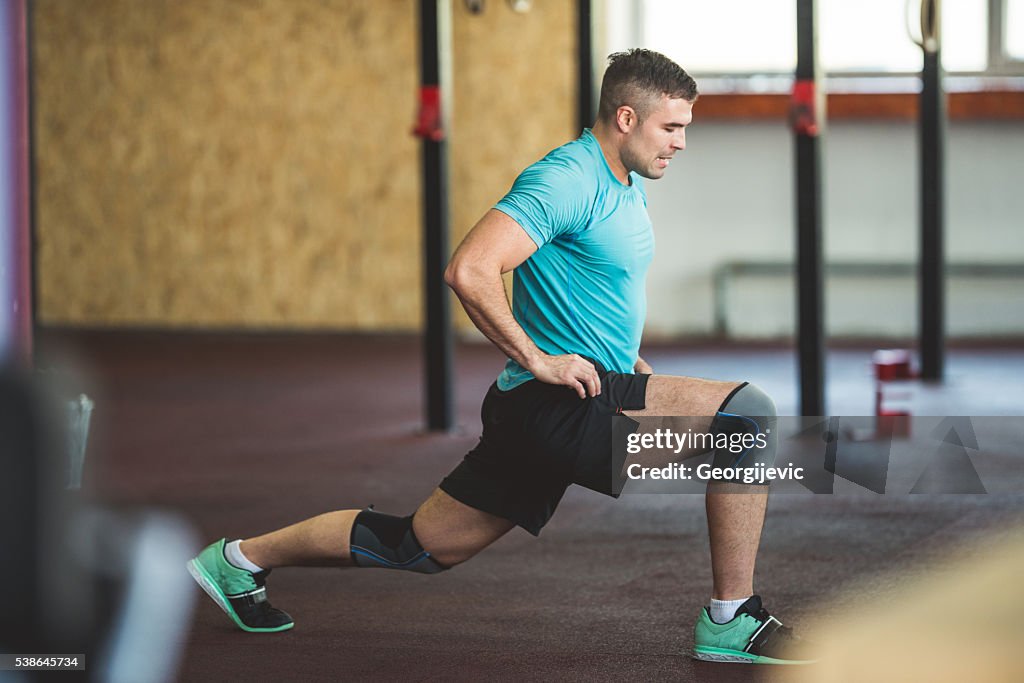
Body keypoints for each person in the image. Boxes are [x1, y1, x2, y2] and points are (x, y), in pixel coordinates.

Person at [188, 48, 813, 665]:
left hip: (553, 406)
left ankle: (239, 560)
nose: (680, 142)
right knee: (745, 418)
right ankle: (731, 619)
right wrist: (538, 358)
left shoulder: (623, 181)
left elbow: (587, 289)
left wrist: (630, 360)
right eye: (671, 127)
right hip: (554, 403)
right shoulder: (566, 177)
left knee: (419, 545)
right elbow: (470, 268)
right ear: (626, 118)